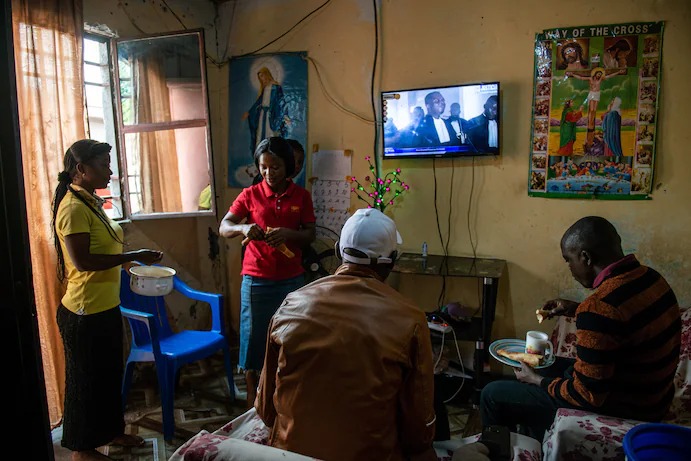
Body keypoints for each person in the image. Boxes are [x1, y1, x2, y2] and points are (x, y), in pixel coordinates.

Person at [255, 208, 489, 461]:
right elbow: (418, 434)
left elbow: (266, 410)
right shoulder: (409, 319)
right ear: (391, 261)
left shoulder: (290, 304)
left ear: (337, 252)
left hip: (290, 453)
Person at [480, 216, 680, 442]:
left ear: (585, 257)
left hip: (626, 409)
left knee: (492, 394)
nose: (570, 268)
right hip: (653, 397)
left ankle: (504, 450)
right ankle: (533, 434)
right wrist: (575, 309)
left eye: (569, 260)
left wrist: (536, 381)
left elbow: (588, 395)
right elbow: (624, 323)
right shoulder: (650, 277)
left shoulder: (599, 308)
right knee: (545, 363)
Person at [52, 139, 163, 461]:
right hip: (84, 312)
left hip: (105, 306)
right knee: (85, 383)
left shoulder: (89, 202)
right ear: (81, 169)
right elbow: (83, 261)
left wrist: (130, 264)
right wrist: (134, 254)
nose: (110, 171)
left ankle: (112, 430)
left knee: (108, 376)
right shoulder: (72, 208)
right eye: (103, 164)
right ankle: (82, 449)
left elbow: (106, 250)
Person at [219, 136, 316, 409]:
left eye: (276, 167)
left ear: (288, 167)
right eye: (263, 167)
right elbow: (224, 226)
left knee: (290, 337)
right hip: (256, 280)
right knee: (253, 341)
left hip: (291, 281)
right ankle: (253, 399)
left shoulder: (301, 197)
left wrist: (289, 234)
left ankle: (284, 393)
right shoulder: (250, 195)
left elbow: (310, 234)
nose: (269, 173)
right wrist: (242, 228)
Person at [566, 67, 625, 148]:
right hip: (591, 93)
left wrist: (618, 72)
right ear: (595, 74)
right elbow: (581, 77)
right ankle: (590, 121)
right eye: (598, 74)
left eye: (600, 74)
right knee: (591, 109)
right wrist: (573, 74)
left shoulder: (601, 79)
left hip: (597, 94)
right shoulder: (590, 79)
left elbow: (610, 76)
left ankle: (592, 122)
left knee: (594, 110)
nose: (599, 75)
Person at [242, 67, 290, 160]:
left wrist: (285, 115)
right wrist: (249, 112)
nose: (262, 79)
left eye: (262, 76)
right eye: (260, 77)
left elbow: (281, 101)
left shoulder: (276, 87)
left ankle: (271, 155)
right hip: (262, 115)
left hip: (270, 115)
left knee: (270, 133)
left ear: (267, 74)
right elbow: (259, 102)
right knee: (260, 133)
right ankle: (261, 155)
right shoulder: (264, 89)